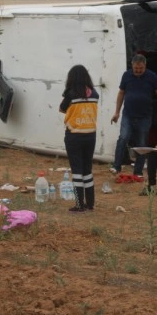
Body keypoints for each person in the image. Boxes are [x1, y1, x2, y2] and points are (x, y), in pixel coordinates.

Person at [110, 54, 157, 177]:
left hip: (145, 116)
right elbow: (121, 93)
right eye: (136, 69)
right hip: (128, 115)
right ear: (132, 66)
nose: (138, 71)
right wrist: (117, 112)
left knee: (142, 143)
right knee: (123, 138)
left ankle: (138, 171)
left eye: (141, 68)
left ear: (145, 66)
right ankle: (116, 166)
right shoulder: (126, 75)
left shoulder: (152, 76)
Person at [59, 65, 99, 212]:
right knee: (87, 169)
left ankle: (79, 204)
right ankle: (90, 203)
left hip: (74, 135)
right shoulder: (94, 93)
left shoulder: (71, 93)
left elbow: (62, 108)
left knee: (77, 170)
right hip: (91, 135)